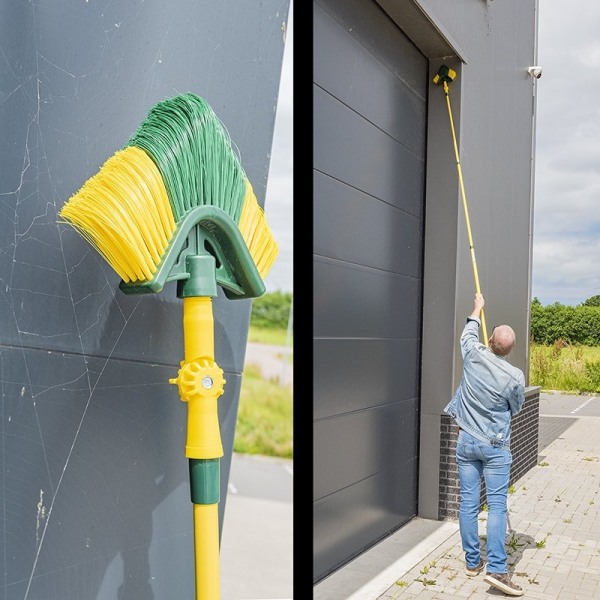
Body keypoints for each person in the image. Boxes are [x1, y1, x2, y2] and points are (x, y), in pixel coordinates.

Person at [444, 292, 526, 597]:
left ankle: (472, 562)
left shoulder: (474, 353)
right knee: (496, 507)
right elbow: (516, 407)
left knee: (468, 503)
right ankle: (497, 570)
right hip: (494, 447)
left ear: (490, 339)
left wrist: (477, 308)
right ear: (510, 349)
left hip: (466, 441)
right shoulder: (514, 376)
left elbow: (468, 332)